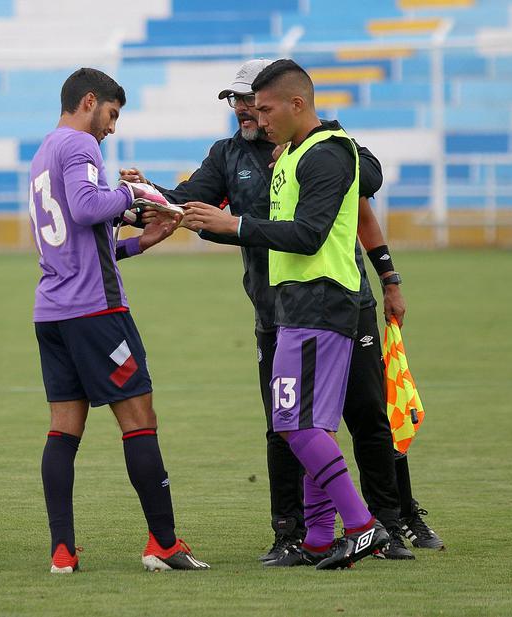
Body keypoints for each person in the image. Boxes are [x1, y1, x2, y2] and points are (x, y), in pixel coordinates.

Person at [122, 59, 443, 565]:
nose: (245, 110)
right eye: (236, 101)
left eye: (253, 101)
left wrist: (388, 277)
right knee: (296, 425)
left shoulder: (324, 150)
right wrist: (137, 199)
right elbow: (186, 203)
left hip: (334, 302)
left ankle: (385, 523)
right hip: (279, 307)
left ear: (282, 101)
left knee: (359, 418)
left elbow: (355, 198)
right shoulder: (240, 155)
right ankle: (302, 534)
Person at [181, 59, 391, 570]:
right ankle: (320, 536)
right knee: (307, 425)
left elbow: (308, 234)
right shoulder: (290, 154)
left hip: (320, 302)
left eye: (266, 107)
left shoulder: (328, 153)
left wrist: (235, 225)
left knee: (293, 423)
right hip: (294, 304)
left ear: (298, 104)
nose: (256, 115)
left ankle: (365, 526)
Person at [29, 67, 210, 574]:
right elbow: (89, 208)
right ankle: (164, 544)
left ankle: (62, 551)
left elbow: (77, 240)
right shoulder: (81, 147)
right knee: (139, 419)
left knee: (63, 430)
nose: (111, 127)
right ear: (90, 102)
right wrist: (137, 197)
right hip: (97, 313)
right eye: (111, 114)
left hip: (53, 312)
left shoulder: (44, 151)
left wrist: (138, 241)